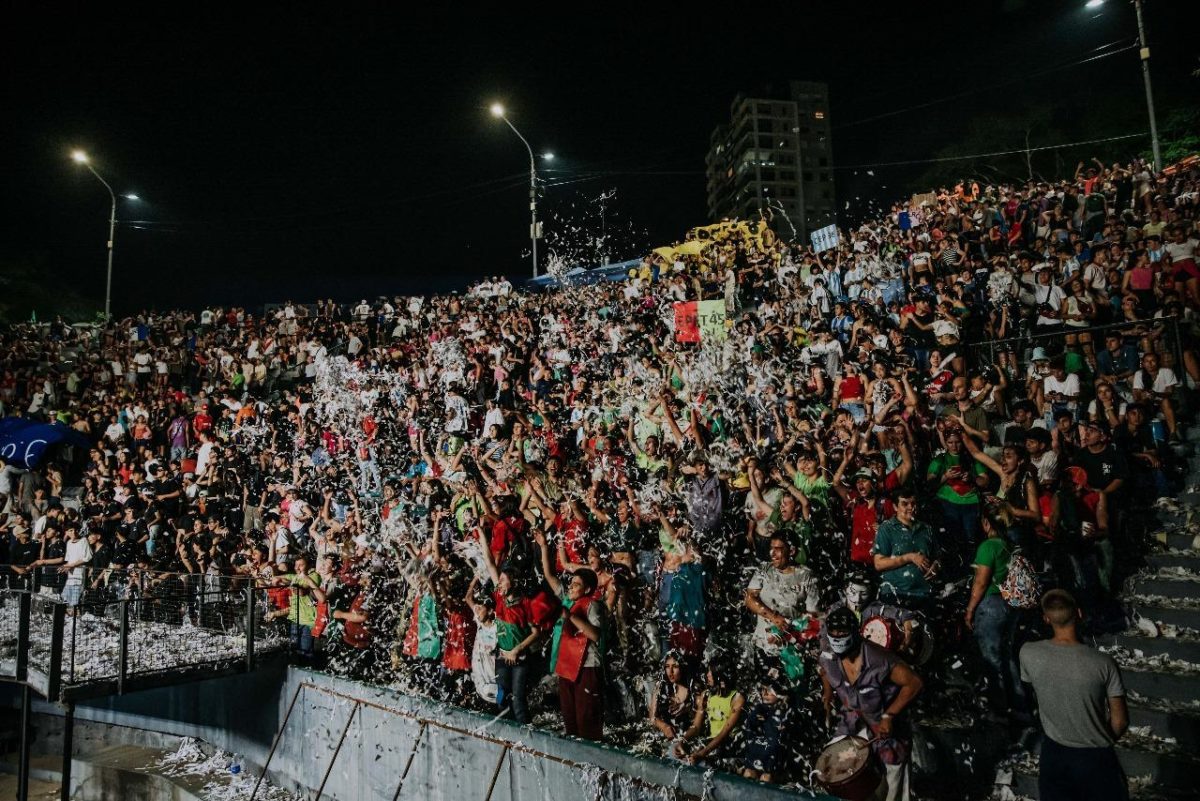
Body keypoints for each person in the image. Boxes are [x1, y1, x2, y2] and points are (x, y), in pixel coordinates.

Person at [1020, 590, 1129, 801]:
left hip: (1054, 754)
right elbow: (1120, 721)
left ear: (1046, 618)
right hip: (1095, 756)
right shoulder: (1103, 663)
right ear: (1079, 613)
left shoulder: (1028, 653)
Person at [819, 606, 923, 801]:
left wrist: (889, 715)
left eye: (842, 633)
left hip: (885, 724)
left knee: (893, 775)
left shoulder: (879, 659)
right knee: (846, 771)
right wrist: (827, 695)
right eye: (833, 633)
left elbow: (914, 683)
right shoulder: (829, 656)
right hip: (852, 721)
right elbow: (824, 671)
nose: (837, 637)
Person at [872, 489, 935, 607]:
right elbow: (879, 564)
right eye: (905, 504)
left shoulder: (926, 529)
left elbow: (937, 557)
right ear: (895, 507)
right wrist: (909, 557)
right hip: (896, 594)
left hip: (924, 593)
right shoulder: (886, 528)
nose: (911, 507)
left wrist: (936, 566)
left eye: (913, 503)